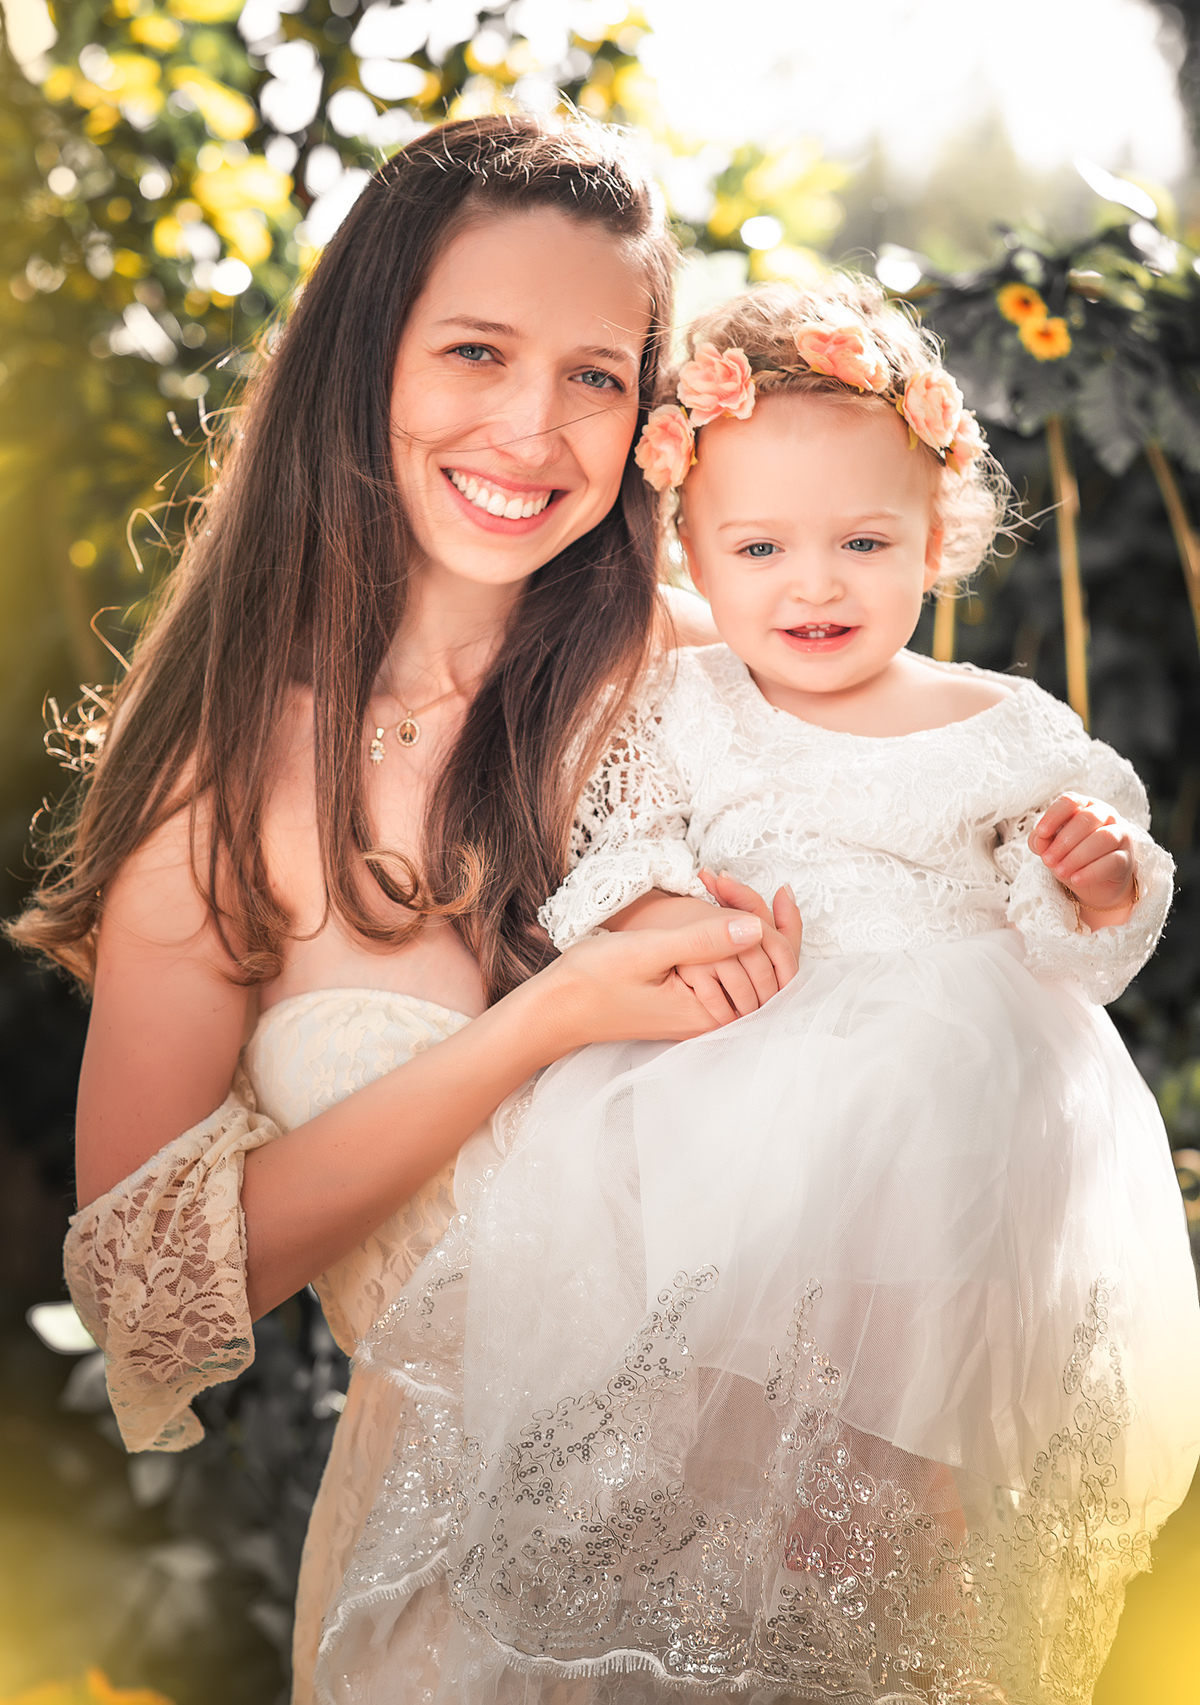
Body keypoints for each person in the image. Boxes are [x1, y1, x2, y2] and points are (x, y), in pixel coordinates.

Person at [6, 115, 805, 1701]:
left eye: (595, 375)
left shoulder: (732, 680)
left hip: (801, 1576)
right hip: (458, 1621)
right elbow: (144, 1297)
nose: (533, 427)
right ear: (365, 358)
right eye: (477, 350)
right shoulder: (225, 777)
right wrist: (542, 1023)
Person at [327, 276, 1200, 1702]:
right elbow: (609, 853)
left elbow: (1084, 930)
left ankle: (902, 1517)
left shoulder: (1002, 724)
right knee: (706, 1327)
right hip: (740, 1053)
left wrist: (1094, 879)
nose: (816, 584)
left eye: (865, 542)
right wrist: (667, 907)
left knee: (924, 1270)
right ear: (692, 553)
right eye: (762, 547)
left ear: (936, 538)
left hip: (953, 1110)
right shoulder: (684, 705)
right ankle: (735, 1525)